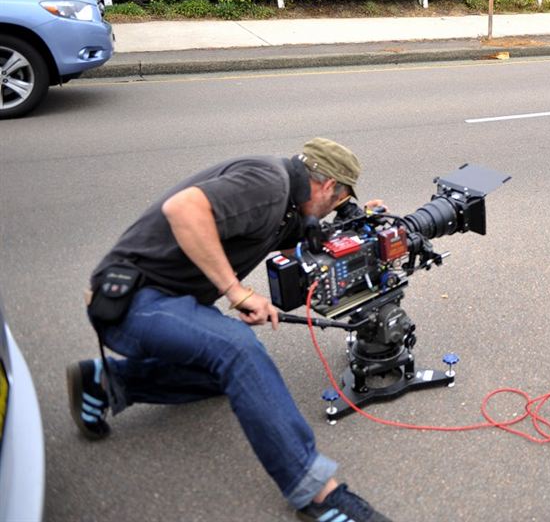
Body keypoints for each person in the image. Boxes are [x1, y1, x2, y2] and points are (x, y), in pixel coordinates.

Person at [67, 138, 391, 522]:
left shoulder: (288, 205)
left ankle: (106, 383)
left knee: (235, 378)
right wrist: (236, 292)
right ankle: (316, 493)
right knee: (238, 349)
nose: (332, 209)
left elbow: (312, 234)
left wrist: (361, 218)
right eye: (337, 200)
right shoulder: (267, 184)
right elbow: (183, 208)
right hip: (131, 304)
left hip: (165, 304)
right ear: (325, 186)